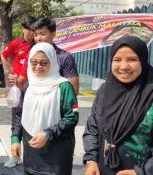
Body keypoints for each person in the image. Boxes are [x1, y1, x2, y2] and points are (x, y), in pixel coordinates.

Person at [83, 36, 153, 175]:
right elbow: (93, 128)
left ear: (143, 61)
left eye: (132, 60)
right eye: (117, 60)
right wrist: (91, 160)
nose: (123, 66)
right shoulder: (105, 90)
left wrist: (141, 172)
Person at [10, 42, 79, 175]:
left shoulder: (63, 86)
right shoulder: (28, 87)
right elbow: (19, 115)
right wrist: (15, 139)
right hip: (31, 153)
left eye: (43, 63)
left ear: (52, 62)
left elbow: (72, 117)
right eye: (34, 62)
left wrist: (48, 133)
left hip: (56, 156)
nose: (37, 67)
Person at [1, 16, 36, 167]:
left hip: (33, 88)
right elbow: (4, 55)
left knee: (32, 122)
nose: (31, 34)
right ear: (23, 28)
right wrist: (11, 71)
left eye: (34, 31)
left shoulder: (37, 44)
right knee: (16, 121)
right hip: (18, 89)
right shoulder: (16, 43)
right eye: (29, 31)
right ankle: (15, 156)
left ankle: (32, 156)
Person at [30, 17, 80, 94]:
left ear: (53, 34)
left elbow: (73, 90)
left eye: (42, 34)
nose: (38, 39)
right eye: (35, 35)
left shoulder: (64, 57)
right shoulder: (31, 55)